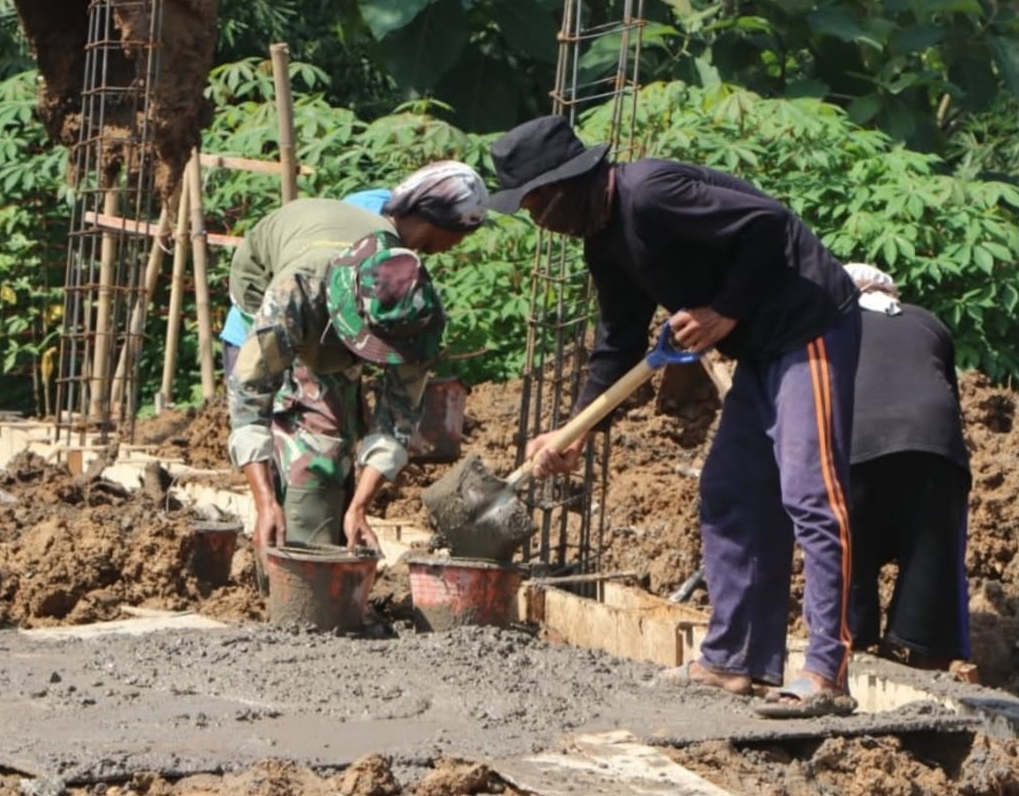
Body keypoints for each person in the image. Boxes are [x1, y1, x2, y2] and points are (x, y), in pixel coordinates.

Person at [489, 115, 861, 718]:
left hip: (808, 324)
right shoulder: (604, 242)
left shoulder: (651, 193)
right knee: (730, 491)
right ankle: (732, 662)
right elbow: (617, 344)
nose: (539, 223)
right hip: (760, 349)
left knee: (810, 493)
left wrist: (724, 311)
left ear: (567, 184)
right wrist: (577, 428)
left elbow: (770, 224)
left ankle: (826, 674)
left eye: (536, 206)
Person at [227, 222, 446, 584]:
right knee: (313, 441)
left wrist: (361, 506)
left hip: (334, 296)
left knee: (339, 425)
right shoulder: (294, 293)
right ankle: (283, 568)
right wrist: (264, 501)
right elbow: (248, 397)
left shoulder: (414, 309)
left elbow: (399, 417)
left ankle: (336, 520)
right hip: (262, 276)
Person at [219, 160, 489, 376]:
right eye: (462, 233)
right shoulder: (365, 235)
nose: (459, 243)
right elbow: (309, 296)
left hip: (325, 341)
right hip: (265, 327)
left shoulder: (390, 225)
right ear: (437, 222)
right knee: (268, 430)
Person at [843, 262, 972, 670]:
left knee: (852, 555)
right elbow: (947, 395)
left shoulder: (834, 323)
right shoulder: (927, 322)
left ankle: (851, 651)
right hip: (935, 448)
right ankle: (926, 658)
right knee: (929, 558)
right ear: (892, 294)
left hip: (859, 445)